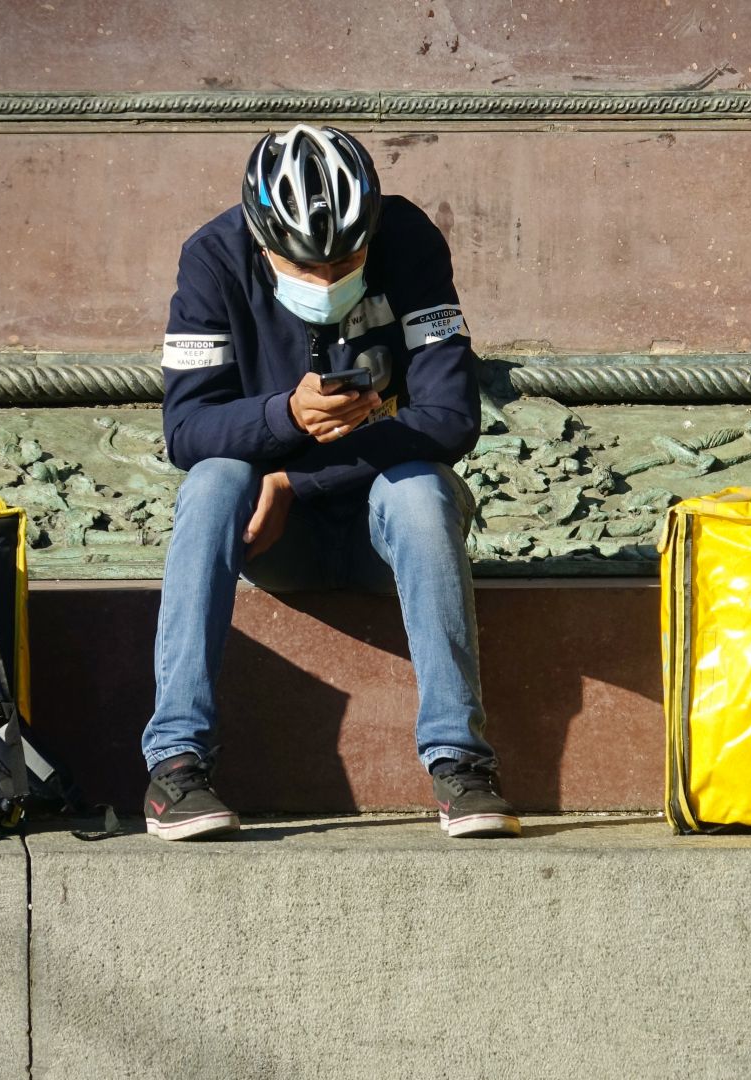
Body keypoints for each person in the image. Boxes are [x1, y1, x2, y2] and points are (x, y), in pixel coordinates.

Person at [139, 123, 518, 841]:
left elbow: (451, 417)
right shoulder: (212, 258)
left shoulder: (408, 241)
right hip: (272, 543)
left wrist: (291, 480)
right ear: (260, 238)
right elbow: (186, 431)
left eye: (345, 260)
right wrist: (286, 416)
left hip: (389, 530)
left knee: (421, 490)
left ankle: (461, 765)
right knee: (214, 482)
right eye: (302, 266)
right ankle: (175, 766)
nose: (325, 282)